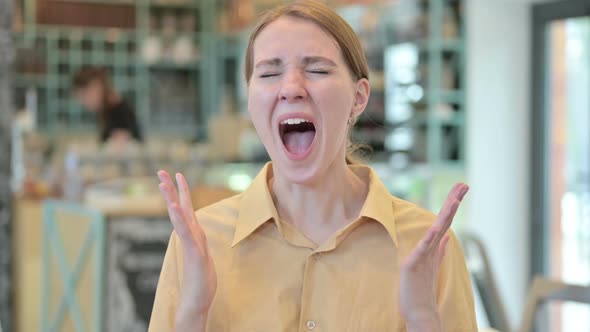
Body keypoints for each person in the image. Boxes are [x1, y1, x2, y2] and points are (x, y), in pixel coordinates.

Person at [149, 1, 477, 331]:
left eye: (318, 70)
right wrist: (193, 312)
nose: (291, 88)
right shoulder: (199, 242)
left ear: (359, 97)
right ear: (250, 99)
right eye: (269, 73)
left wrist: (423, 319)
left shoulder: (428, 247)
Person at [72, 66, 143, 144]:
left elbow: (123, 146)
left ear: (96, 87)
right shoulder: (105, 111)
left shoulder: (120, 112)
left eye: (84, 97)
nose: (84, 103)